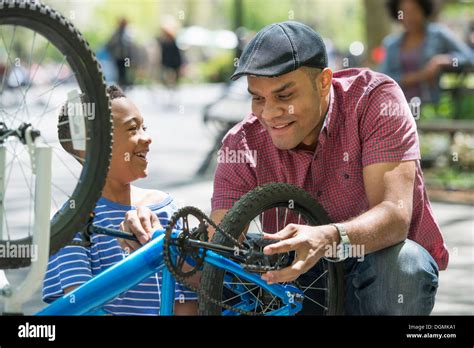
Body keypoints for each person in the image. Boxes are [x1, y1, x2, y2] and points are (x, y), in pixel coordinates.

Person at [122, 21, 449, 315]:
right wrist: (159, 249)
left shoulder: (377, 100)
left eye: (284, 95)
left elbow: (395, 215)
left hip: (378, 267)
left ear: (323, 82)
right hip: (301, 284)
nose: (270, 113)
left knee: (405, 265)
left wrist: (328, 237)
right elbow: (218, 259)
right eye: (258, 98)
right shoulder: (241, 144)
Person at [42, 85, 197, 315]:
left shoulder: (165, 207)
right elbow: (82, 307)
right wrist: (141, 263)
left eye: (144, 127)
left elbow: (190, 295)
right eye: (133, 129)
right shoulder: (71, 224)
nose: (147, 138)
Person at [379, 0, 473, 103]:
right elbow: (384, 78)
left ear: (423, 9)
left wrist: (443, 60)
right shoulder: (391, 44)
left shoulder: (438, 35)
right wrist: (420, 76)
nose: (410, 17)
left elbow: (469, 57)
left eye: (414, 10)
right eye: (403, 12)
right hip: (398, 107)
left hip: (429, 106)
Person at [106, 18, 134, 89]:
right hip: (118, 57)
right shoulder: (116, 33)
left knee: (125, 70)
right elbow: (110, 43)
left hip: (126, 57)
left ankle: (126, 83)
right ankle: (121, 84)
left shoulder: (128, 33)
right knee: (119, 70)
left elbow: (131, 46)